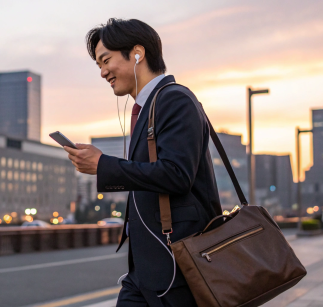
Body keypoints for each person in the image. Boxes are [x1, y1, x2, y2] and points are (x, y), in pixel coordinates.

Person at [65, 18, 222, 306]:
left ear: (137, 53)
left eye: (106, 60)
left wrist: (103, 165)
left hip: (180, 267)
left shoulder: (175, 99)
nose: (102, 73)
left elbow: (176, 175)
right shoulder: (148, 108)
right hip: (148, 269)